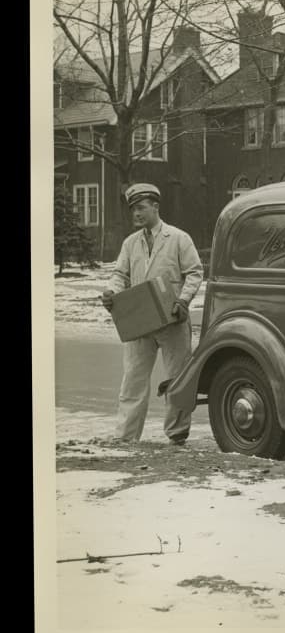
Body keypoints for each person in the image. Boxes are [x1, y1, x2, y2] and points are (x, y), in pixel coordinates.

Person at [100, 183, 203, 444]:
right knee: (133, 380)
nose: (136, 213)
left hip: (172, 320)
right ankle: (126, 438)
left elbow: (194, 272)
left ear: (155, 207)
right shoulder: (130, 243)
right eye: (133, 209)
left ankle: (177, 435)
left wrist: (183, 300)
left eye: (141, 208)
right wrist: (111, 291)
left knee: (177, 378)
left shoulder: (179, 238)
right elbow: (119, 274)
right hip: (140, 321)